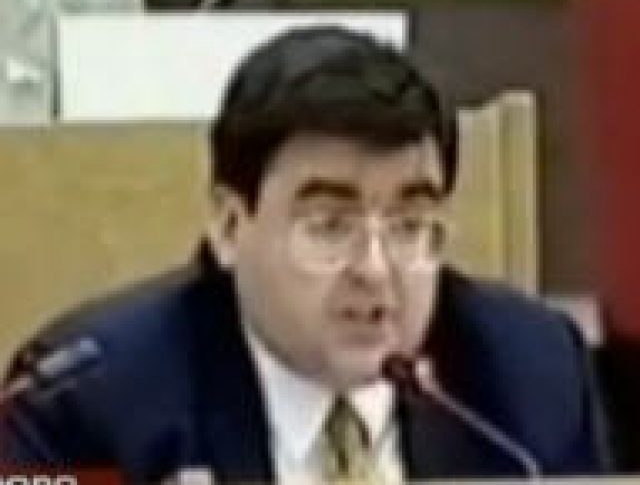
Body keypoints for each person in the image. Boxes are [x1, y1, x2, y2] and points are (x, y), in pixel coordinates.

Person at [0, 26, 611, 483]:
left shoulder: (532, 377)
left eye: (409, 226)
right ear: (229, 225)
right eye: (329, 226)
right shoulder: (83, 405)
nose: (375, 270)